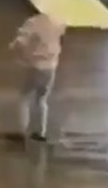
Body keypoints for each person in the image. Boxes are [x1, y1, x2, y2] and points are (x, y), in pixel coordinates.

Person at [9, 11, 66, 141]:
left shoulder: (34, 22)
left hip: (36, 66)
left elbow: (21, 41)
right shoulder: (59, 21)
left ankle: (22, 131)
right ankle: (41, 132)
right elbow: (60, 38)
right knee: (42, 100)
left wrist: (14, 47)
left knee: (23, 97)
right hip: (51, 67)